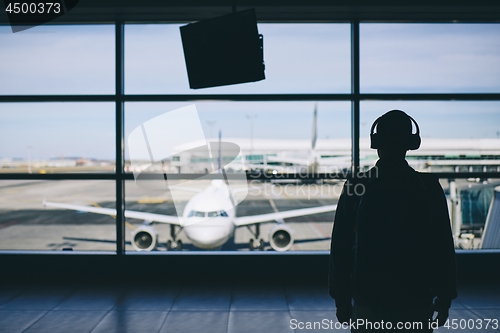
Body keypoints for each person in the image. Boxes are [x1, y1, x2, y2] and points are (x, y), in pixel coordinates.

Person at [329, 110, 457, 332]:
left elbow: (340, 246)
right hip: (415, 295)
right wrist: (445, 295)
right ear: (411, 143)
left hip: (368, 295)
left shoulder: (357, 185)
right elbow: (442, 245)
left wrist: (341, 298)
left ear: (376, 142)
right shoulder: (428, 187)